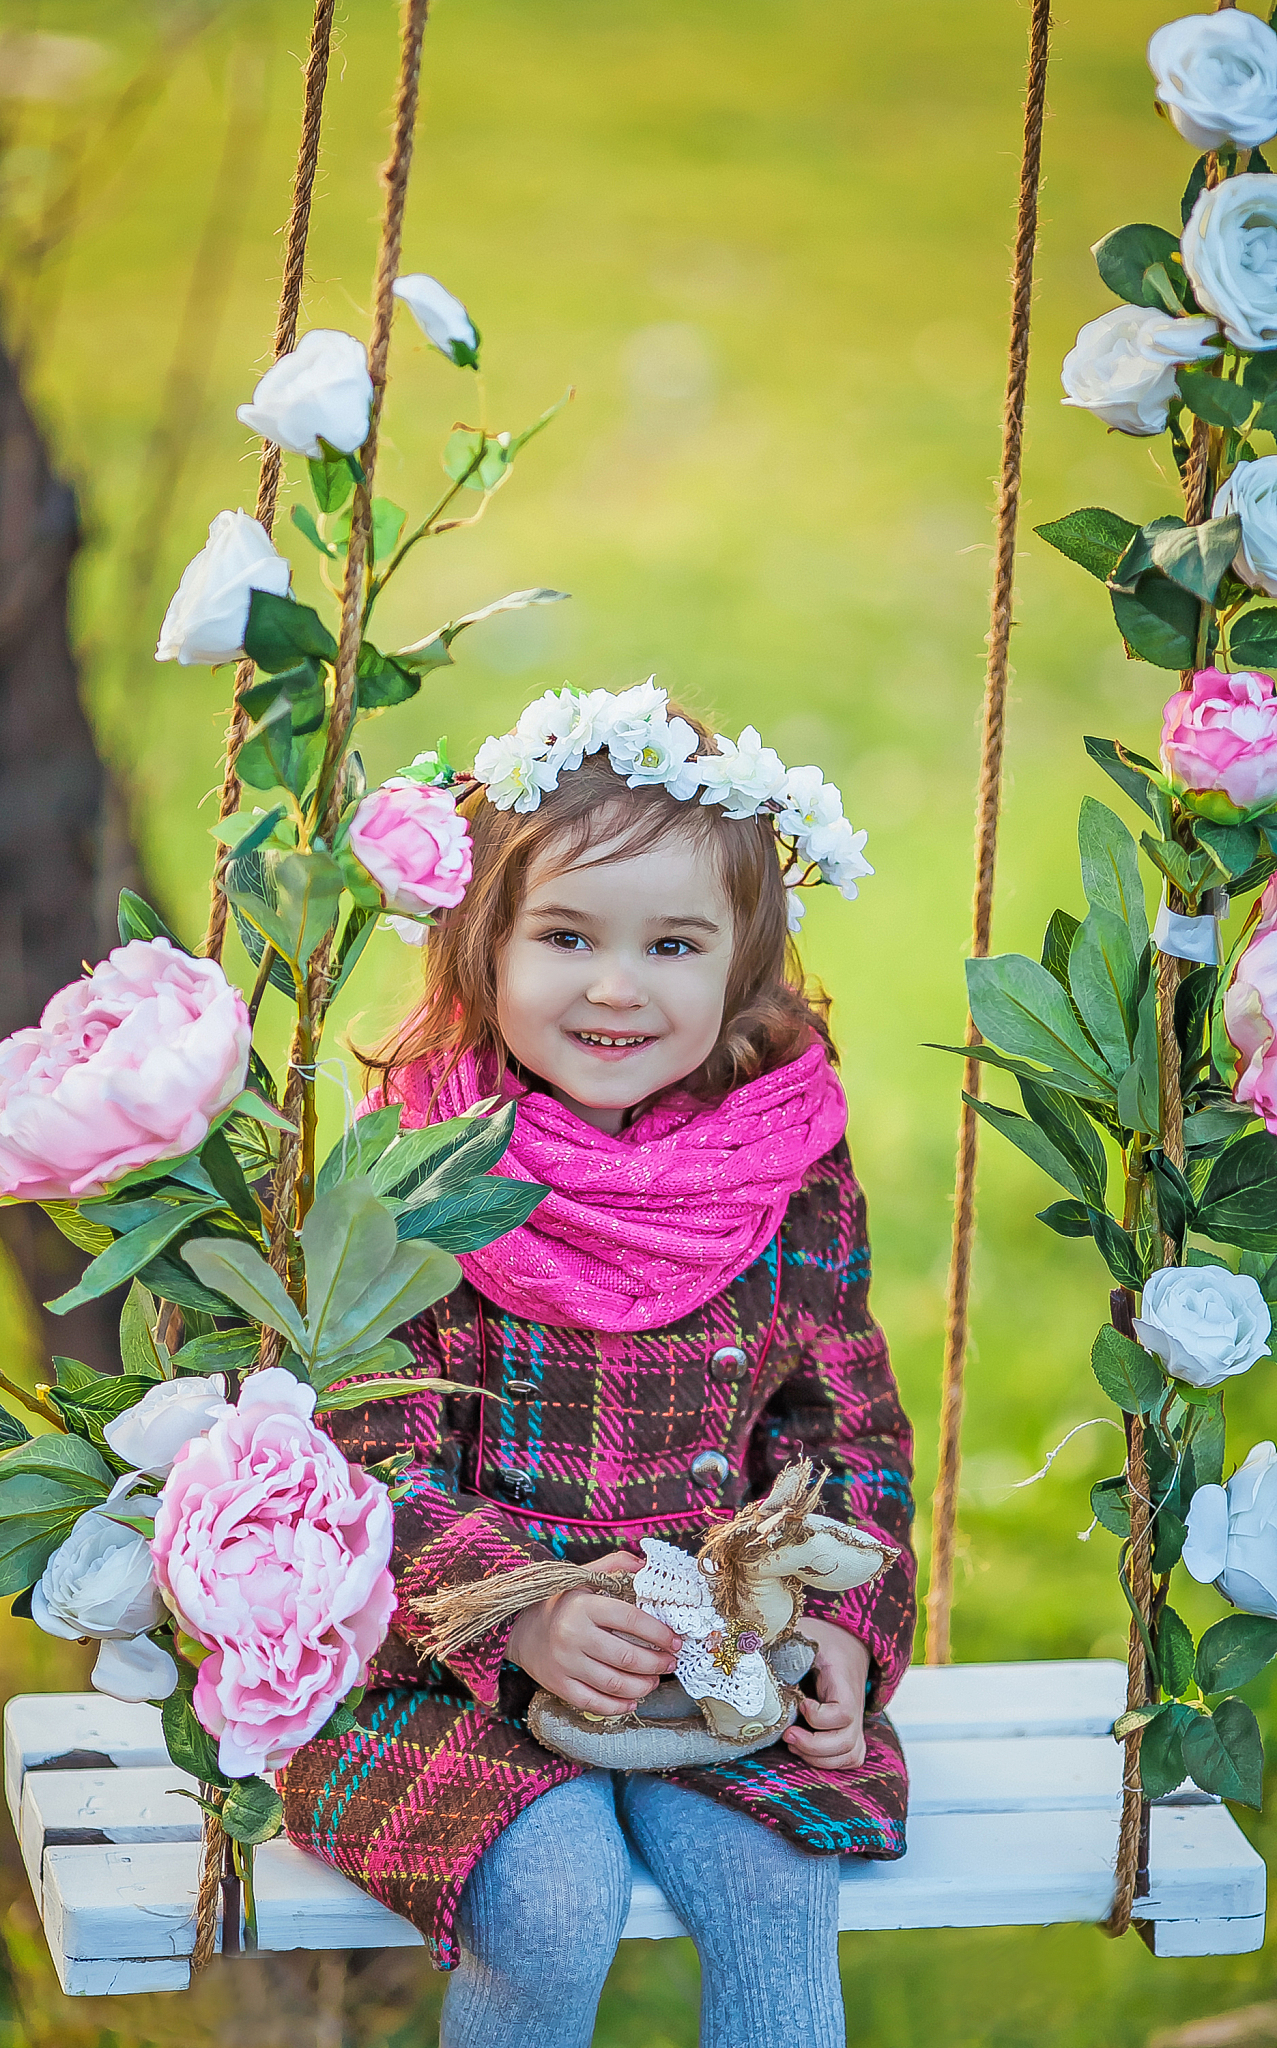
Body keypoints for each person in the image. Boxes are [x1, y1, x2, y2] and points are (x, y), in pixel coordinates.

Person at [280, 683, 916, 2048]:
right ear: (481, 947)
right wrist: (515, 1615)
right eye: (566, 935)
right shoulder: (411, 1169)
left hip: (717, 1666)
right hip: (443, 1673)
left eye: (673, 943)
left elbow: (847, 1429)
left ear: (743, 959)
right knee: (550, 1900)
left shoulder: (780, 1166)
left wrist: (842, 1638)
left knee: (775, 1893)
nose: (617, 987)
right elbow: (352, 1463)